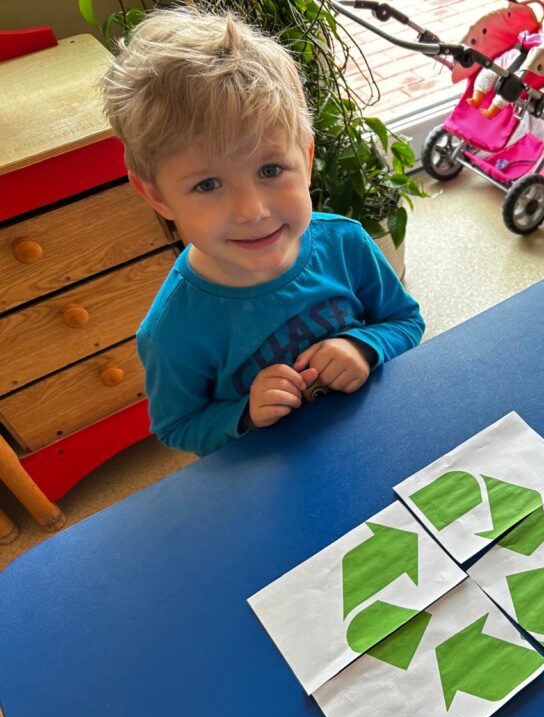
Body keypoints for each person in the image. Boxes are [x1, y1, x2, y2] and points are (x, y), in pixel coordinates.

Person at [101, 8, 425, 456]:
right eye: (207, 185)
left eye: (270, 169)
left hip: (377, 440)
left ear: (305, 160)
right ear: (157, 196)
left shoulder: (345, 242)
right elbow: (179, 427)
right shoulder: (171, 330)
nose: (252, 212)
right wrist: (245, 414)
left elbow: (406, 321)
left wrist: (364, 345)